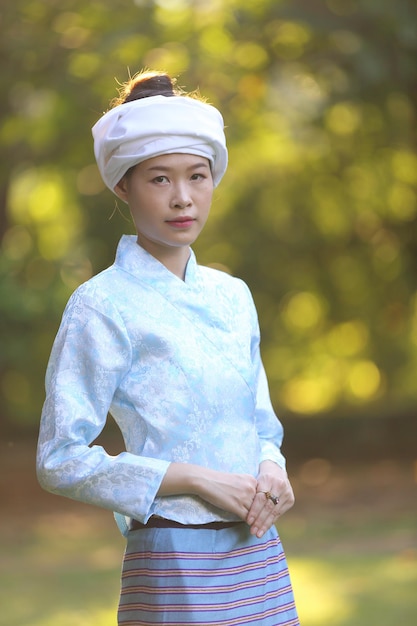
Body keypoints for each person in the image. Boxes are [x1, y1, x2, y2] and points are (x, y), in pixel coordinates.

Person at [37, 70, 300, 626]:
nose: (183, 198)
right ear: (122, 185)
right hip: (174, 565)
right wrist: (191, 477)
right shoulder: (100, 305)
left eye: (197, 176)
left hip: (257, 552)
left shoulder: (234, 296)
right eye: (159, 179)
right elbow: (59, 460)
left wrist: (273, 468)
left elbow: (262, 424)